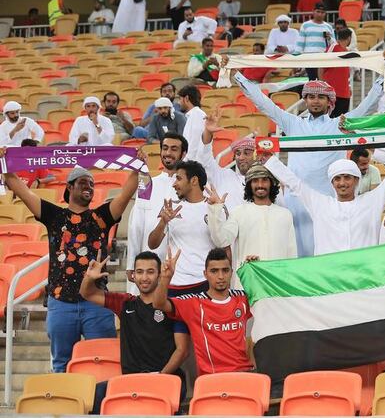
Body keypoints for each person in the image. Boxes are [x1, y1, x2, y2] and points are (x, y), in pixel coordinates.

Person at [2, 163, 140, 371]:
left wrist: (136, 166)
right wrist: (6, 163)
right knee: (62, 364)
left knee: (104, 361)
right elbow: (20, 189)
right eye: (83, 182)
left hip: (96, 302)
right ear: (69, 187)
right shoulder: (54, 216)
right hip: (60, 303)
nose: (89, 187)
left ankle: (99, 403)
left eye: (92, 184)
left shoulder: (101, 217)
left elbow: (127, 192)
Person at [232, 72, 383, 257]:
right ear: (305, 100)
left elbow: (367, 108)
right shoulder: (292, 123)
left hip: (330, 201)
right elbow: (264, 103)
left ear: (330, 102)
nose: (315, 101)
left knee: (329, 254)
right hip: (297, 201)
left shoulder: (341, 125)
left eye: (321, 97)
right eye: (311, 97)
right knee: (297, 253)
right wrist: (238, 76)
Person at [265, 140, 385, 254]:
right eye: (338, 178)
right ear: (332, 182)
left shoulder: (371, 201)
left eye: (347, 177)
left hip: (364, 275)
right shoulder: (320, 203)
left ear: (356, 180)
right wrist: (269, 160)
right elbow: (295, 183)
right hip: (329, 277)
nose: (342, 183)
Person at [80, 251, 190, 409]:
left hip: (166, 379)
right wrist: (89, 278)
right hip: (131, 380)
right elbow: (87, 293)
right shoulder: (125, 303)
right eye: (139, 272)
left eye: (150, 272)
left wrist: (161, 376)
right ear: (133, 276)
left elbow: (183, 350)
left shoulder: (174, 306)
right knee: (98, 394)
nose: (144, 277)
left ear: (159, 275)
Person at [153, 247, 253, 377]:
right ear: (205, 274)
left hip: (243, 374)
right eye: (214, 271)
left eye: (225, 270)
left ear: (231, 272)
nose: (221, 276)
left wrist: (254, 270)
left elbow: (268, 296)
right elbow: (159, 304)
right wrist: (165, 278)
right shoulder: (193, 302)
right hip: (211, 378)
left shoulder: (242, 298)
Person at [207, 165, 295, 288]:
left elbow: (291, 254)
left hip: (278, 284)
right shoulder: (238, 212)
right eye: (255, 180)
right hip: (247, 283)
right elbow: (221, 240)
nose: (260, 184)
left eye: (264, 180)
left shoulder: (285, 215)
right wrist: (215, 209)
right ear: (249, 185)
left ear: (271, 184)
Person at [147, 160, 220, 297]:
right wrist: (163, 222)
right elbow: (152, 244)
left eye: (179, 179)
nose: (174, 184)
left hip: (207, 283)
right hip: (176, 284)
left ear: (193, 180)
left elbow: (225, 247)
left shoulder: (215, 207)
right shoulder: (170, 208)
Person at [125, 133, 187, 294]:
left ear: (183, 154)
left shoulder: (191, 187)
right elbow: (136, 225)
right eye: (165, 148)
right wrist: (131, 263)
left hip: (183, 271)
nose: (168, 153)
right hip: (149, 268)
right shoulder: (147, 183)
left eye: (174, 149)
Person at [198, 113, 258, 210]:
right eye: (238, 154)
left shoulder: (265, 183)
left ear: (257, 156)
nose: (241, 157)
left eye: (246, 153)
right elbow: (206, 161)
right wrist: (208, 133)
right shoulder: (225, 176)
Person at [297, 3, 335, 80]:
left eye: (322, 12)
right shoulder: (305, 25)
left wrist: (329, 38)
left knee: (323, 81)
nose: (320, 14)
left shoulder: (328, 27)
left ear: (325, 14)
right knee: (312, 80)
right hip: (309, 58)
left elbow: (334, 44)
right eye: (318, 11)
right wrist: (297, 60)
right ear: (313, 11)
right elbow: (300, 44)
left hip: (323, 58)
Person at [323, 28, 354, 116]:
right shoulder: (333, 47)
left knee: (341, 121)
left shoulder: (347, 51)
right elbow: (321, 65)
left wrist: (348, 86)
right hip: (332, 92)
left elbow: (346, 73)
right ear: (349, 38)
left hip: (344, 93)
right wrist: (322, 85)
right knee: (331, 121)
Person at [178, 85, 206, 161]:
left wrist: (185, 163)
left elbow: (195, 144)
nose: (178, 102)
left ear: (186, 98)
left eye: (180, 99)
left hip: (195, 164)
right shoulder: (193, 115)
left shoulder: (197, 115)